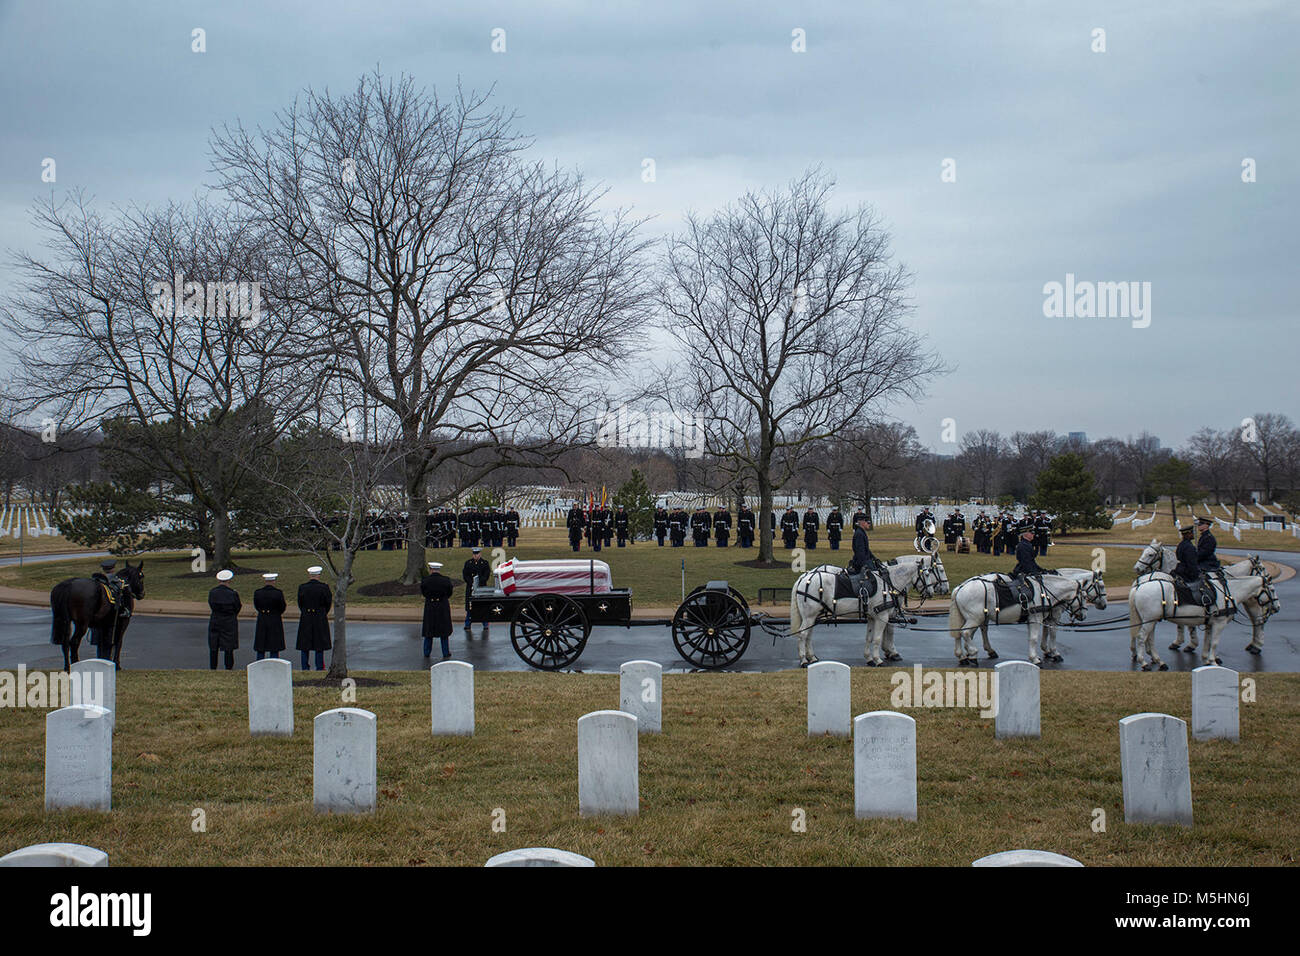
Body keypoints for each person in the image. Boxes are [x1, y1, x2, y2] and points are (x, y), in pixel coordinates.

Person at [296, 566, 332, 671]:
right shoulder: (324, 587)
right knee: (319, 644)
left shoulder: (302, 587)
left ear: (309, 575)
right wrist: (322, 612)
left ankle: (305, 666)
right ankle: (319, 666)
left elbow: (300, 603)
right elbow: (328, 603)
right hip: (319, 617)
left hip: (306, 617)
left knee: (304, 644)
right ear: (318, 575)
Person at [207, 569, 241, 670]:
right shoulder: (232, 593)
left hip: (215, 620)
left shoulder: (213, 592)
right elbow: (237, 606)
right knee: (228, 646)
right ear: (229, 580)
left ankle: (213, 667)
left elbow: (211, 604)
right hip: (229, 620)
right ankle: (228, 667)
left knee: (214, 645)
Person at [420, 561, 455, 658]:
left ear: (431, 570)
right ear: (439, 570)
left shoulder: (425, 580)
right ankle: (445, 652)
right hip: (442, 606)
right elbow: (449, 593)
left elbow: (424, 592)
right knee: (444, 632)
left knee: (428, 631)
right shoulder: (446, 580)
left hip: (430, 606)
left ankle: (427, 652)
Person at [252, 572, 286, 661]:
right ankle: (274, 662)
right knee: (274, 645)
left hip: (262, 618)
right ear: (273, 581)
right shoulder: (278, 593)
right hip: (274, 618)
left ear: (265, 581)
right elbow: (282, 606)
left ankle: (259, 662)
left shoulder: (258, 593)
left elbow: (257, 605)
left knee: (261, 645)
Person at [462, 547, 492, 637]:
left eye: (477, 554)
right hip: (471, 588)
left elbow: (486, 574)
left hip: (481, 587)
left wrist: (479, 582)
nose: (475, 555)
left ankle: (485, 624)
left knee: (482, 606)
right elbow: (465, 575)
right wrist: (471, 582)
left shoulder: (484, 563)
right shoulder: (468, 563)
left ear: (480, 554)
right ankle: (468, 624)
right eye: (474, 554)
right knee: (470, 607)